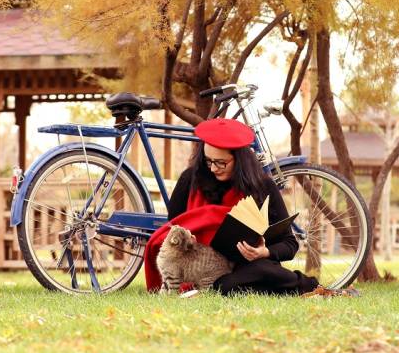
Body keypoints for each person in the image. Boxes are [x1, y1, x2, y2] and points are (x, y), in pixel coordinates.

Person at [144, 118, 350, 296]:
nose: (214, 168)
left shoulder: (262, 187)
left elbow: (289, 244)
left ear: (239, 160)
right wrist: (185, 241)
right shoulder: (190, 180)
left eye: (221, 162)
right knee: (225, 287)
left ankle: (312, 288)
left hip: (247, 267)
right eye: (208, 161)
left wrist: (264, 252)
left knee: (258, 272)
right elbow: (169, 232)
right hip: (200, 270)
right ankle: (293, 288)